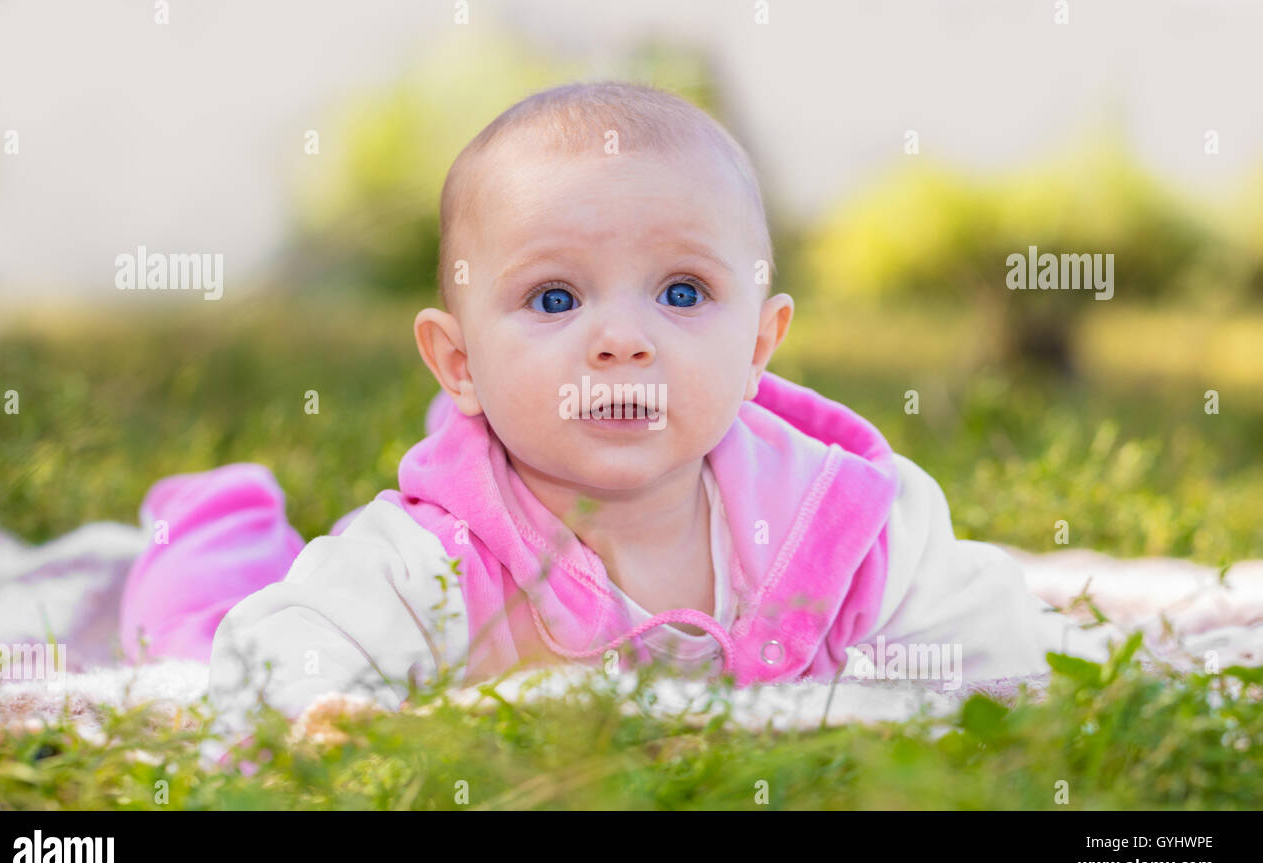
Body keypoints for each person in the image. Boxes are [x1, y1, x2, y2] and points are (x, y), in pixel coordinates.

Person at [118, 82, 1100, 736]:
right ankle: (215, 522)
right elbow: (275, 659)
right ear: (457, 362)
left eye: (680, 294)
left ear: (759, 343)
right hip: (257, 592)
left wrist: (981, 696)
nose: (622, 339)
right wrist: (329, 714)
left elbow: (989, 642)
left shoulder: (838, 524)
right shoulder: (438, 559)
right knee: (195, 629)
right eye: (555, 299)